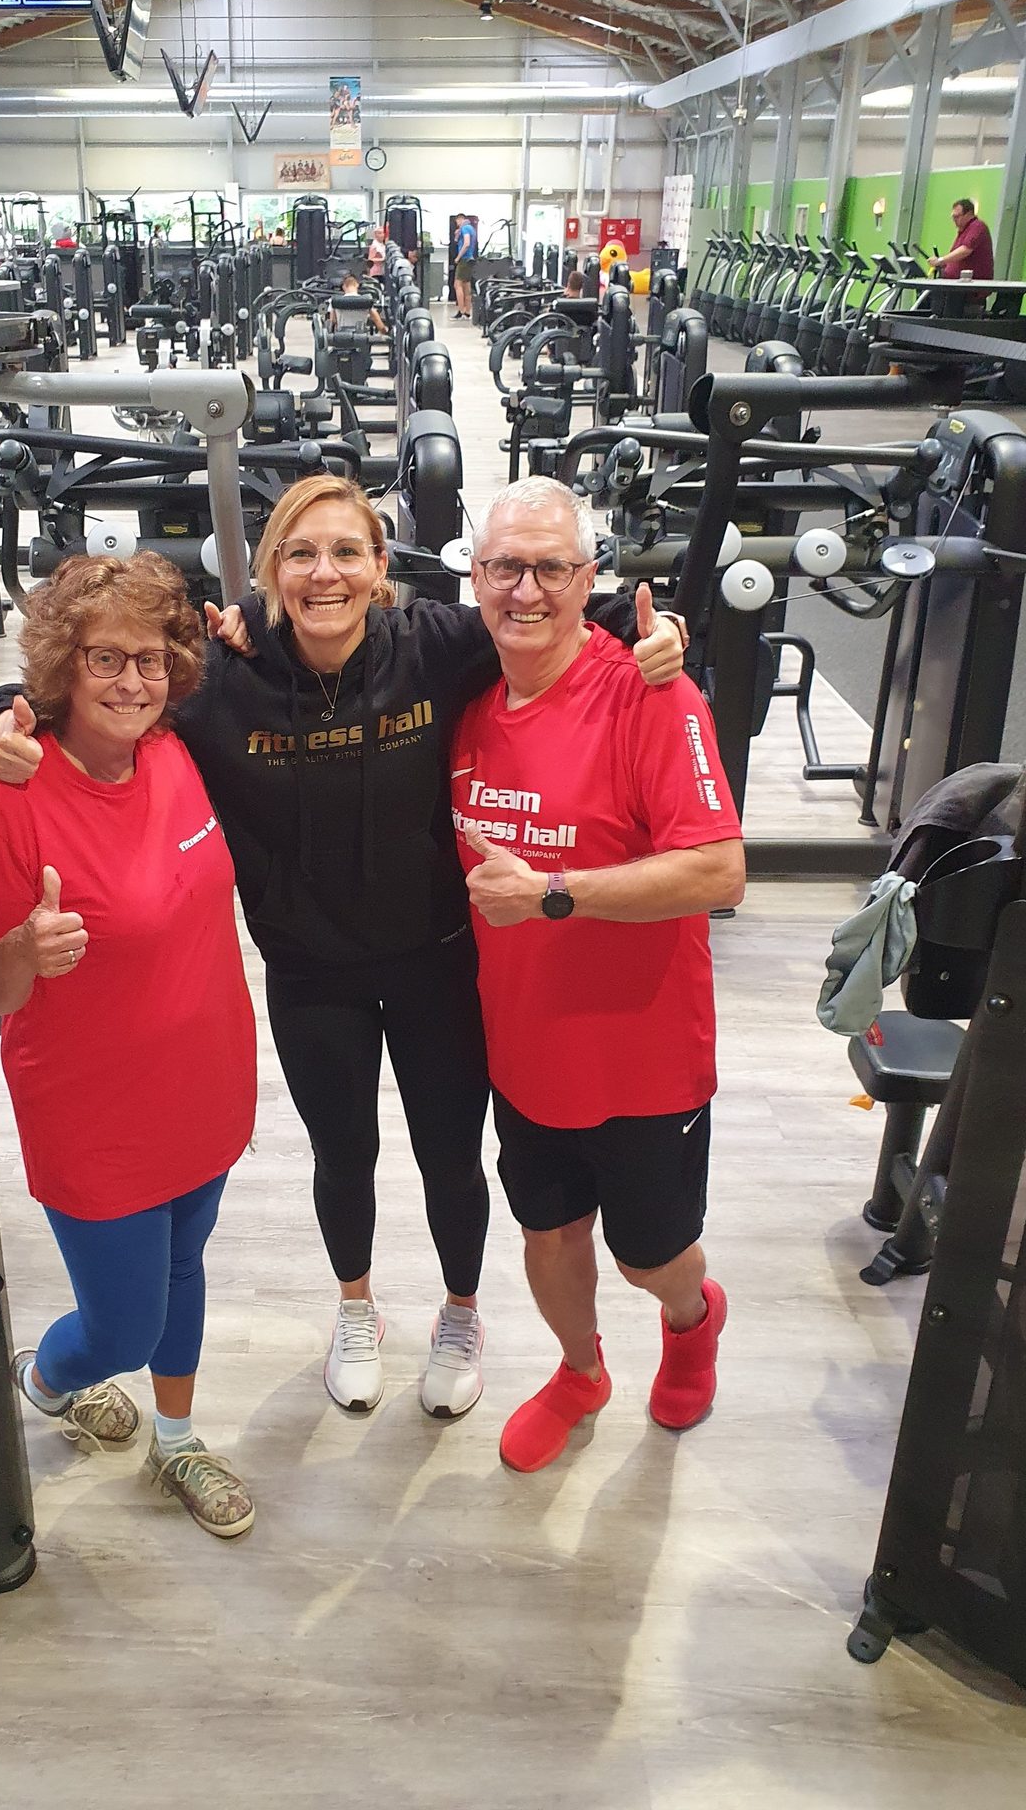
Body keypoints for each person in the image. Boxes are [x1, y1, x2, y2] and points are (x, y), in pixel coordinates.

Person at [0, 476, 688, 1424]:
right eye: (302, 554)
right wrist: (0, 713)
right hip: (312, 972)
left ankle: (461, 1312)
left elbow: (541, 606)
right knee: (341, 1152)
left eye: (348, 552)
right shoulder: (225, 678)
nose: (326, 573)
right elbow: (91, 692)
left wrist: (659, 626)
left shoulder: (436, 646)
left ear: (381, 569)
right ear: (270, 572)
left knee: (449, 1154)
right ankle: (355, 1308)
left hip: (435, 957)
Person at [0, 553, 257, 1539]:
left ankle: (177, 1440)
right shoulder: (5, 808)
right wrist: (22, 952)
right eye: (105, 660)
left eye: (152, 658)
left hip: (205, 1089)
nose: (133, 681)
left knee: (183, 1270)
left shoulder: (173, 750)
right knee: (124, 1324)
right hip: (96, 1117)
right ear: (59, 669)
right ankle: (44, 1376)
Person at [450, 476, 745, 1474]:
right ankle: (581, 1372)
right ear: (474, 576)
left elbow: (719, 869)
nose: (523, 590)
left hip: (644, 1058)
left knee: (646, 1255)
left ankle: (692, 1316)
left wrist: (554, 894)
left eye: (548, 568)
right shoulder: (467, 705)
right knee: (548, 1235)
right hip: (526, 1049)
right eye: (503, 567)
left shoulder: (654, 694)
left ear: (588, 579)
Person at [929, 198, 994, 281]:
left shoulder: (977, 226)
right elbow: (956, 257)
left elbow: (965, 250)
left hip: (970, 285)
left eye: (957, 216)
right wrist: (942, 263)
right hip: (956, 283)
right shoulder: (963, 231)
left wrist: (941, 260)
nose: (954, 220)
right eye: (953, 217)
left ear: (969, 214)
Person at [332, 270, 388, 336]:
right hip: (361, 338)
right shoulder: (366, 300)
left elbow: (333, 322)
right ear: (357, 285)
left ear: (343, 286)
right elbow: (379, 324)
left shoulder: (335, 301)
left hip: (342, 337)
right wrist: (385, 331)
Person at [452, 214, 478, 320]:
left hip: (464, 259)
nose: (457, 225)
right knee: (467, 286)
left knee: (457, 285)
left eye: (457, 222)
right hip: (471, 259)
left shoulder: (465, 228)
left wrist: (458, 257)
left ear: (460, 219)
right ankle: (467, 311)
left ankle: (461, 311)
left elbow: (466, 243)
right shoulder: (471, 228)